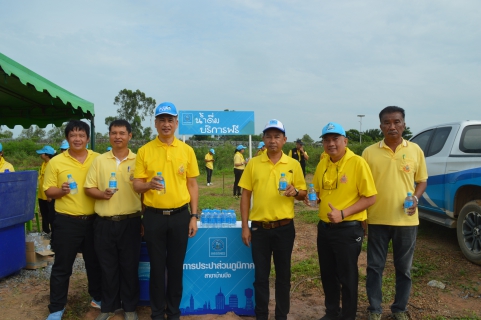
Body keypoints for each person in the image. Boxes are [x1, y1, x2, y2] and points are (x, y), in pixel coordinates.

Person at [133, 102, 199, 320]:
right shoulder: (144, 151)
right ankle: (156, 313)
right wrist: (149, 185)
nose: (166, 124)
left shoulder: (187, 150)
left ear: (176, 123)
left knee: (176, 267)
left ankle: (173, 313)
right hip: (153, 217)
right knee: (157, 268)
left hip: (180, 216)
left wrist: (193, 216)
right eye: (162, 119)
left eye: (170, 120)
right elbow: (137, 185)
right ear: (155, 123)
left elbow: (192, 185)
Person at [362, 106, 428, 320]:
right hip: (376, 219)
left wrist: (416, 198)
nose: (392, 126)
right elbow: (362, 187)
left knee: (404, 269)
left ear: (404, 124)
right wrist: (363, 217)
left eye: (396, 122)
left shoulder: (416, 150)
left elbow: (422, 180)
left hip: (406, 221)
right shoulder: (369, 152)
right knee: (374, 267)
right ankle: (374, 309)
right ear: (380, 126)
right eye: (387, 123)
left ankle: (399, 309)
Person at [240, 119, 307, 320]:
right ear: (263, 139)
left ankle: (281, 316)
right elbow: (245, 196)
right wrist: (245, 226)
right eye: (268, 136)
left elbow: (303, 193)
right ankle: (261, 315)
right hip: (259, 229)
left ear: (284, 140)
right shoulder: (253, 163)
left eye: (277, 136)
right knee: (260, 277)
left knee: (283, 276)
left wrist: (295, 192)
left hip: (284, 228)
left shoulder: (293, 164)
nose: (272, 140)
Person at [309, 122, 377, 320]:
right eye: (327, 140)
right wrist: (313, 199)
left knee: (347, 277)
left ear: (345, 141)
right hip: (325, 228)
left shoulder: (357, 163)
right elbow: (319, 193)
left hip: (348, 229)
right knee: (328, 274)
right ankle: (332, 313)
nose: (331, 144)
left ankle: (348, 316)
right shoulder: (323, 163)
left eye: (335, 139)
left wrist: (343, 213)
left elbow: (370, 197)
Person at [43, 120, 102, 320]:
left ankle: (98, 297)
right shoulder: (56, 162)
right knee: (62, 266)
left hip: (94, 220)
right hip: (67, 221)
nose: (77, 139)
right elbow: (48, 191)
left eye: (81, 135)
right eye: (73, 135)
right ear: (67, 138)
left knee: (94, 262)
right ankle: (57, 308)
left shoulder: (98, 159)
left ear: (87, 138)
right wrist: (62, 190)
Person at [85, 120, 141, 320]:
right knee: (107, 267)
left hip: (131, 222)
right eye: (114, 133)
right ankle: (108, 307)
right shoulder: (99, 160)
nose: (118, 136)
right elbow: (88, 187)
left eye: (122, 133)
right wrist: (102, 194)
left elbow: (145, 193)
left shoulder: (139, 160)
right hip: (104, 223)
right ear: (108, 135)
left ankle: (130, 308)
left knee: (129, 266)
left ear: (130, 136)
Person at [36, 145, 56, 234]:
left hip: (49, 196)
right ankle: (45, 231)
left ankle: (53, 233)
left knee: (50, 215)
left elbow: (53, 181)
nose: (40, 155)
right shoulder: (43, 164)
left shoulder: (52, 164)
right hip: (41, 195)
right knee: (44, 214)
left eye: (42, 153)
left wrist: (50, 196)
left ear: (47, 155)